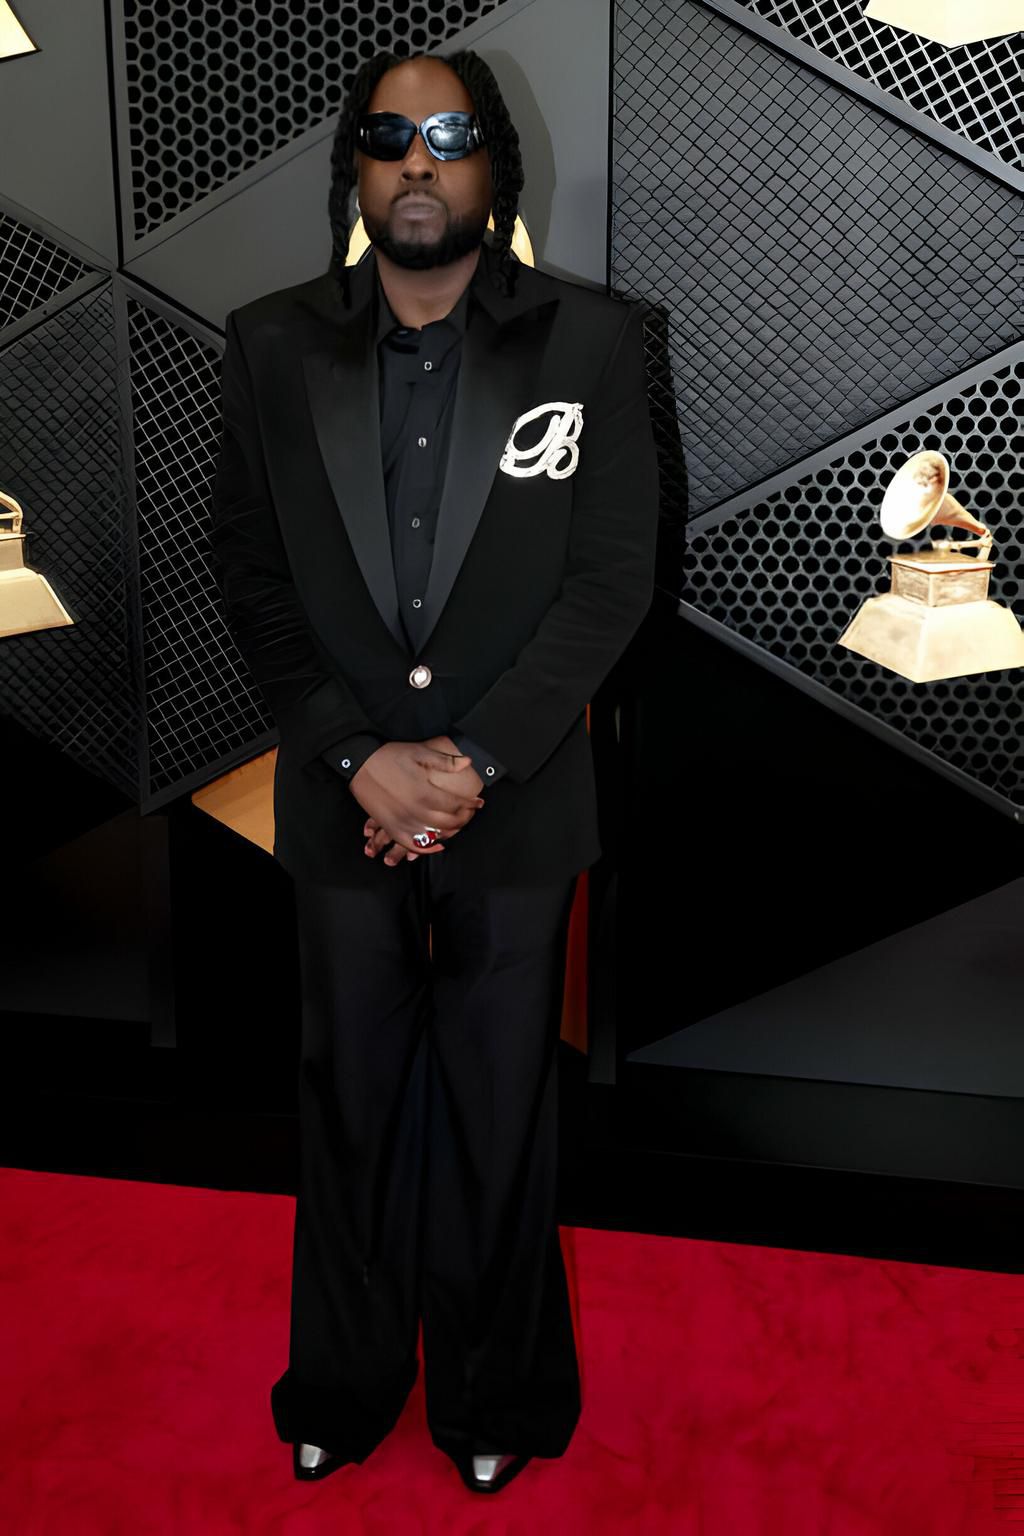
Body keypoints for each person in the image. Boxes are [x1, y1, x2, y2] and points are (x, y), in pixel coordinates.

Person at [210, 45, 659, 1497]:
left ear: (493, 168)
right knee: (345, 1103)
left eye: (450, 135)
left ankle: (494, 1397)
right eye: (391, 136)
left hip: (515, 806)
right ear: (355, 166)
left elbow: (610, 584)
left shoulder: (596, 344)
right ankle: (339, 1378)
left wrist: (463, 761)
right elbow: (253, 577)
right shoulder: (271, 342)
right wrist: (358, 756)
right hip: (338, 801)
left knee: (500, 1112)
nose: (419, 160)